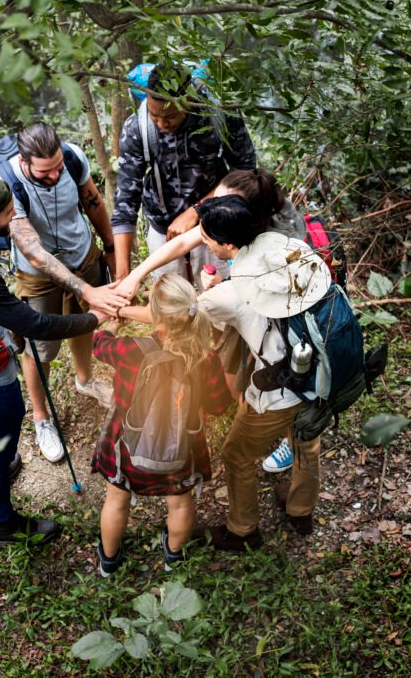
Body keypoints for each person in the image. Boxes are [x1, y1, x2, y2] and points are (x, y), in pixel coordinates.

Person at [0, 177, 112, 547]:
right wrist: (95, 318)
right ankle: (1, 524)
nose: (13, 215)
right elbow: (36, 324)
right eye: (7, 212)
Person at [115, 168, 306, 472]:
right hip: (234, 293)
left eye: (221, 203)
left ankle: (291, 433)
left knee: (280, 367)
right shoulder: (230, 224)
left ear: (245, 218)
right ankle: (247, 405)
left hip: (273, 311)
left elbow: (176, 315)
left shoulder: (274, 247)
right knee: (233, 365)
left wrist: (121, 310)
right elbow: (182, 244)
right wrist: (136, 275)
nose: (211, 209)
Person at [192, 195, 331, 551]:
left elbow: (186, 317)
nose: (203, 242)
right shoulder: (289, 252)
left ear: (227, 244)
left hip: (279, 389)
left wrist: (210, 292)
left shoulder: (229, 294)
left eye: (206, 238)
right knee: (306, 442)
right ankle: (301, 510)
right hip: (322, 372)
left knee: (236, 454)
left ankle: (242, 530)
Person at [0, 122, 130, 463]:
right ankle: (41, 418)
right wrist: (88, 289)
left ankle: (85, 380)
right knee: (40, 348)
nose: (55, 176)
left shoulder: (71, 156)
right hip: (38, 276)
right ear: (24, 161)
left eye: (58, 168)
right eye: (45, 173)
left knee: (84, 322)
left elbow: (93, 201)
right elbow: (34, 252)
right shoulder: (7, 184)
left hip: (82, 255)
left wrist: (111, 246)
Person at [90, 275, 232, 576]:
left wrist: (113, 326)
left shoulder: (131, 350)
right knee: (180, 503)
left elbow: (98, 345)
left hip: (127, 443)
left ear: (156, 318)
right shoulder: (204, 358)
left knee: (116, 499)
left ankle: (109, 562)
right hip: (182, 445)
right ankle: (173, 558)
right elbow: (220, 406)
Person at [111, 62, 257, 288]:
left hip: (215, 225)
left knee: (221, 303)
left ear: (189, 101)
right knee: (172, 309)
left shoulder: (219, 116)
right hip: (162, 229)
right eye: (153, 114)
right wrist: (123, 275)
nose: (160, 123)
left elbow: (246, 173)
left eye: (169, 116)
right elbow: (125, 202)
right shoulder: (137, 127)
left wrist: (197, 210)